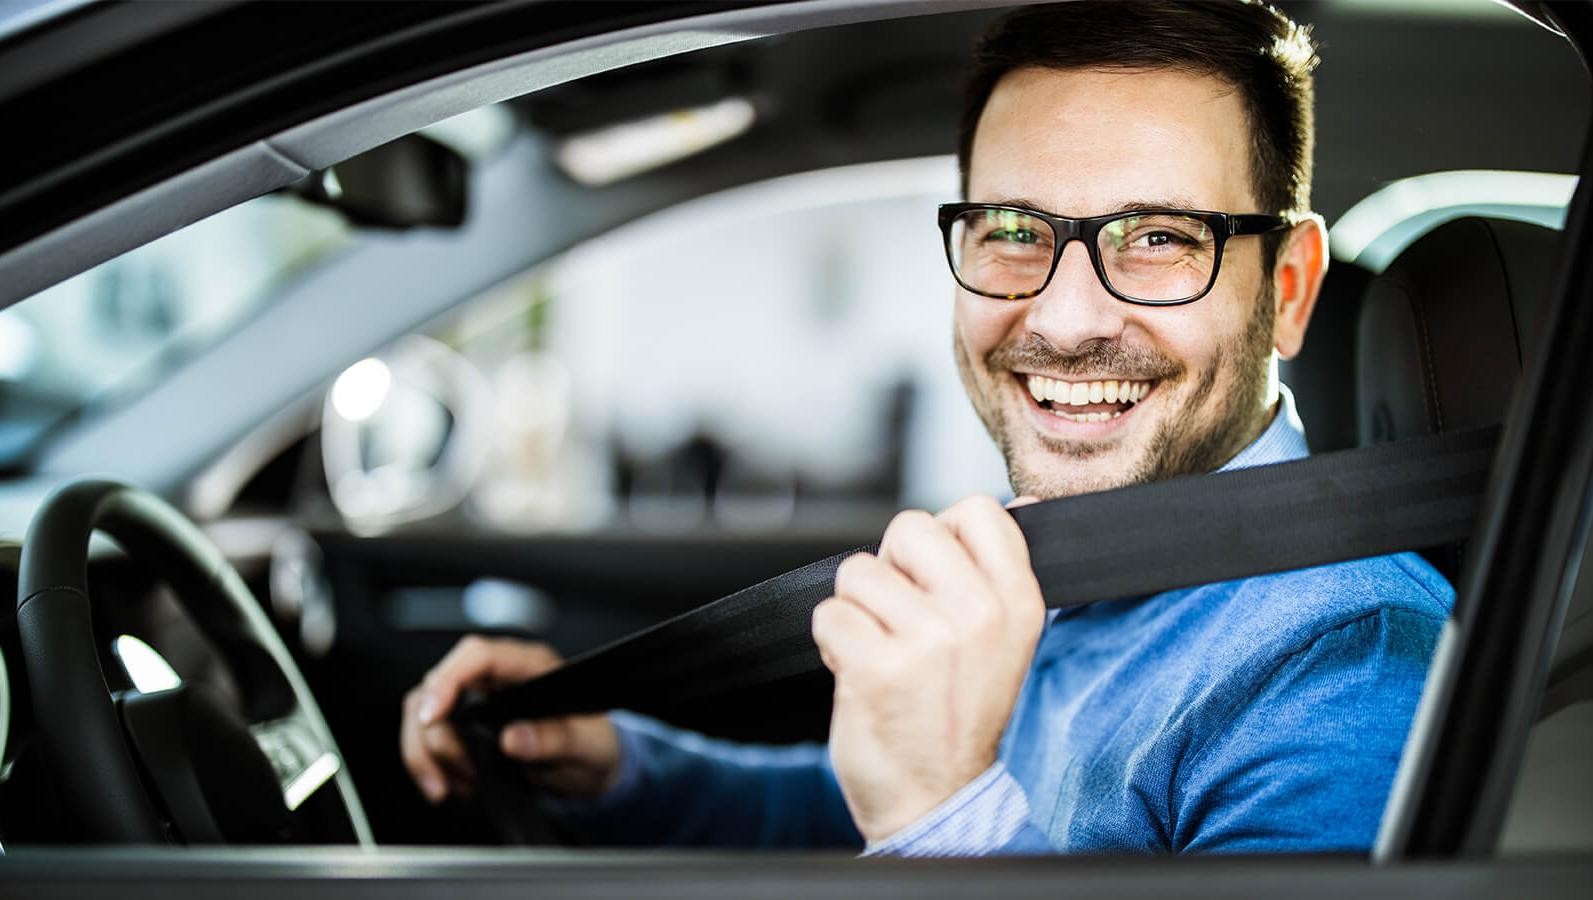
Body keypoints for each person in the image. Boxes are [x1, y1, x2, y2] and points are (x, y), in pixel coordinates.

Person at [399, 0, 1453, 855]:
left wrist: (943, 816)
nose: (1066, 317)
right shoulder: (1084, 552)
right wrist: (619, 765)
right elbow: (854, 800)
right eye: (1011, 231)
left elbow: (928, 802)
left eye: (1160, 239)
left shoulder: (1346, 663)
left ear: (1292, 288)